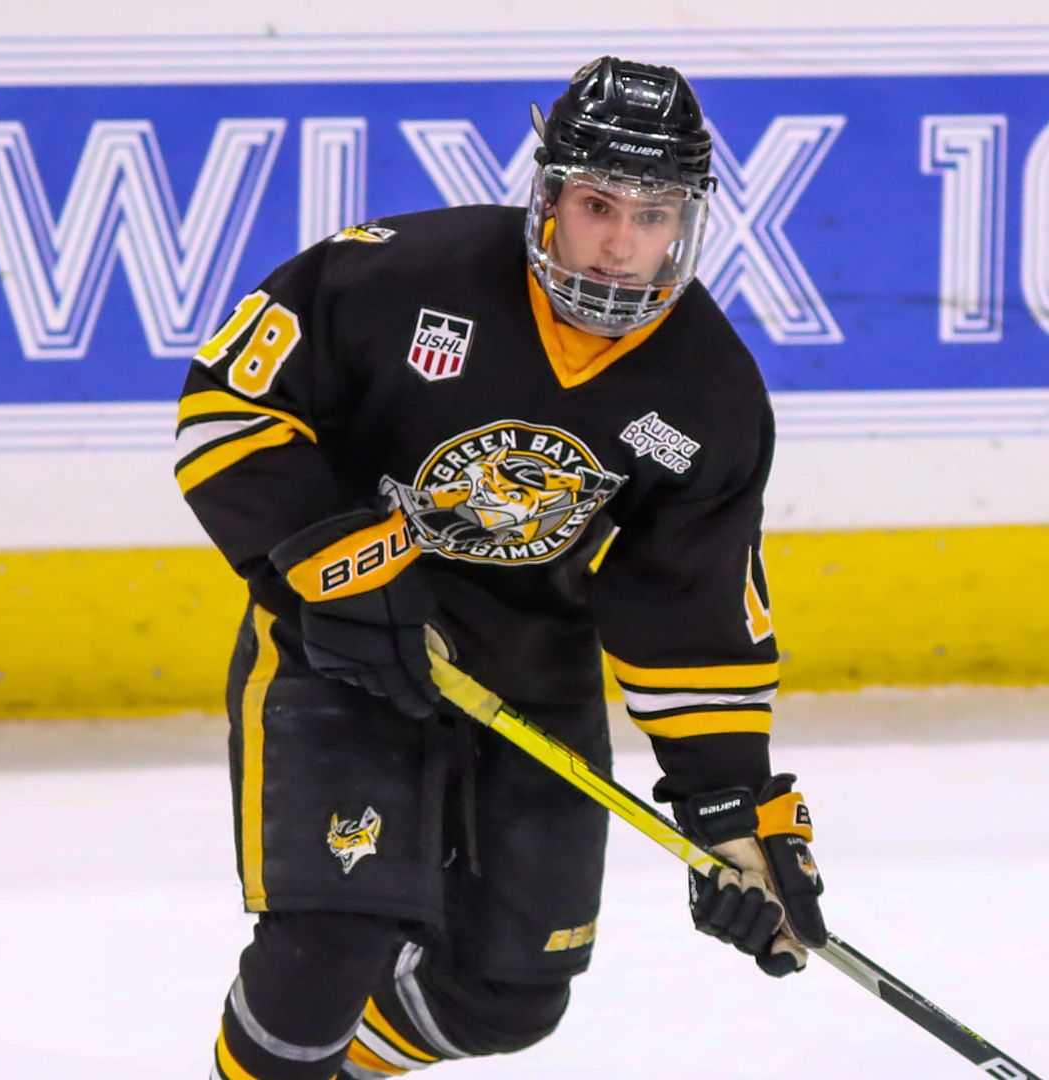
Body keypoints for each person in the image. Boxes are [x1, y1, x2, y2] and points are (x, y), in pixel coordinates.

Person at [176, 56, 827, 1080]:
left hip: (531, 659)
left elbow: (690, 609)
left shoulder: (708, 392)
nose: (622, 246)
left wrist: (731, 811)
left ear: (689, 219)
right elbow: (230, 404)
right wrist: (338, 571)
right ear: (549, 196)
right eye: (598, 205)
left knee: (507, 995)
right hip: (338, 643)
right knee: (326, 946)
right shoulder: (399, 277)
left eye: (653, 216)